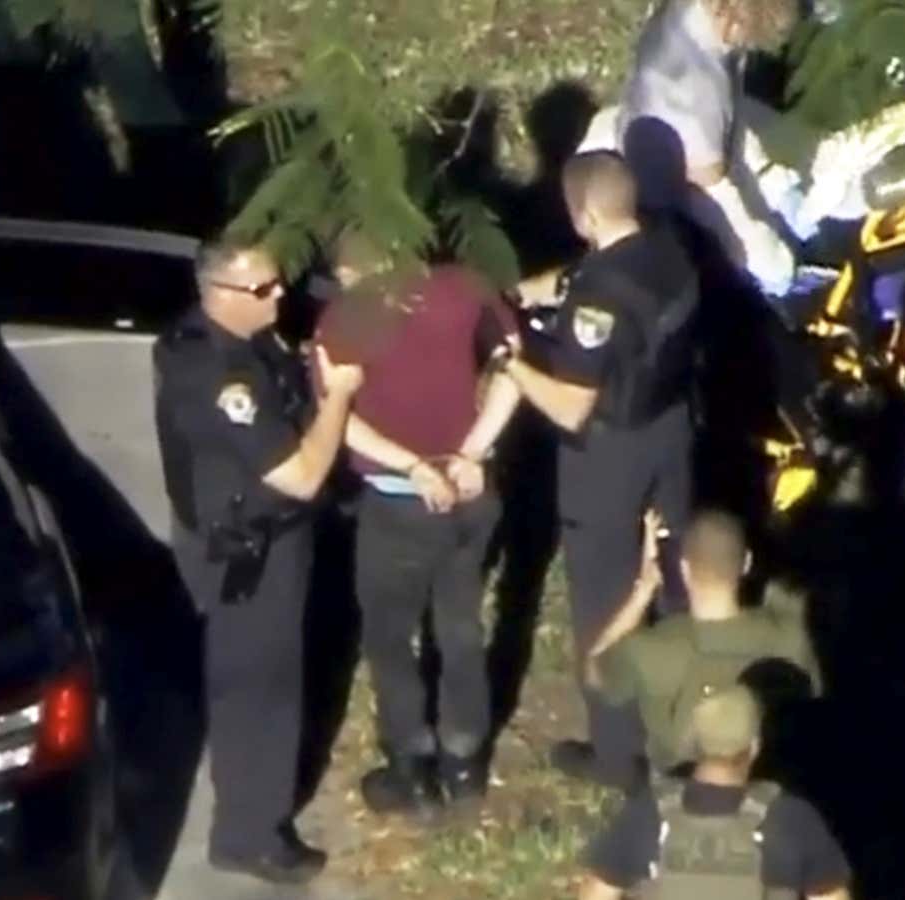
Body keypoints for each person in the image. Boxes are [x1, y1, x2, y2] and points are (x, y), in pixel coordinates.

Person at [152, 241, 365, 883]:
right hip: (249, 552)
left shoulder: (233, 341)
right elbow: (298, 475)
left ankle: (253, 817)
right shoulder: (221, 377)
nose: (280, 297)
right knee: (260, 693)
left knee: (262, 682)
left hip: (258, 539)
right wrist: (338, 399)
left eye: (279, 284)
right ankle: (251, 834)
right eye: (263, 290)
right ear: (220, 293)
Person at [493, 150, 700, 791]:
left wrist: (512, 364)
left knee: (603, 597)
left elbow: (570, 408)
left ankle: (616, 755)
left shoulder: (595, 299)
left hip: (611, 454)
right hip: (671, 430)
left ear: (582, 213)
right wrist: (523, 293)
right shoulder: (666, 244)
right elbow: (587, 276)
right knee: (675, 578)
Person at [313, 231, 522, 819]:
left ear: (352, 273)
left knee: (389, 637)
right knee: (459, 628)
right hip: (471, 497)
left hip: (397, 504)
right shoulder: (466, 288)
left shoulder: (344, 318)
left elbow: (341, 422)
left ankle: (412, 771)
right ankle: (465, 765)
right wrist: (473, 453)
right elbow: (514, 370)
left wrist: (414, 467)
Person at [577, 0, 805, 296]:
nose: (748, 45)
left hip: (646, 119)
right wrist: (770, 255)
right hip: (680, 182)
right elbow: (714, 181)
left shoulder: (689, 13)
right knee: (770, 263)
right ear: (731, 21)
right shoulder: (696, 91)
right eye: (748, 36)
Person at [587, 508, 822, 777]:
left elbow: (595, 668)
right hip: (775, 780)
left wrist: (642, 591)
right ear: (746, 563)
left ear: (684, 568)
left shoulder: (652, 649)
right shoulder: (791, 636)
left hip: (681, 792)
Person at [578, 685, 852, 900]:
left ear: (695, 743)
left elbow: (596, 895)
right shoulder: (792, 819)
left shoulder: (647, 813)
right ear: (754, 747)